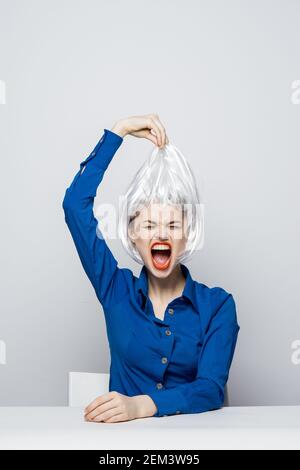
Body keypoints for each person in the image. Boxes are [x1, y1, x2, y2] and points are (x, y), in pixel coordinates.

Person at [62, 114, 240, 423]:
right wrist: (119, 131)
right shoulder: (115, 290)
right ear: (132, 233)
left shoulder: (218, 306)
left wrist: (141, 405)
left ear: (188, 233)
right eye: (148, 224)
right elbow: (75, 205)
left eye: (173, 224)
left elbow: (210, 389)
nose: (161, 234)